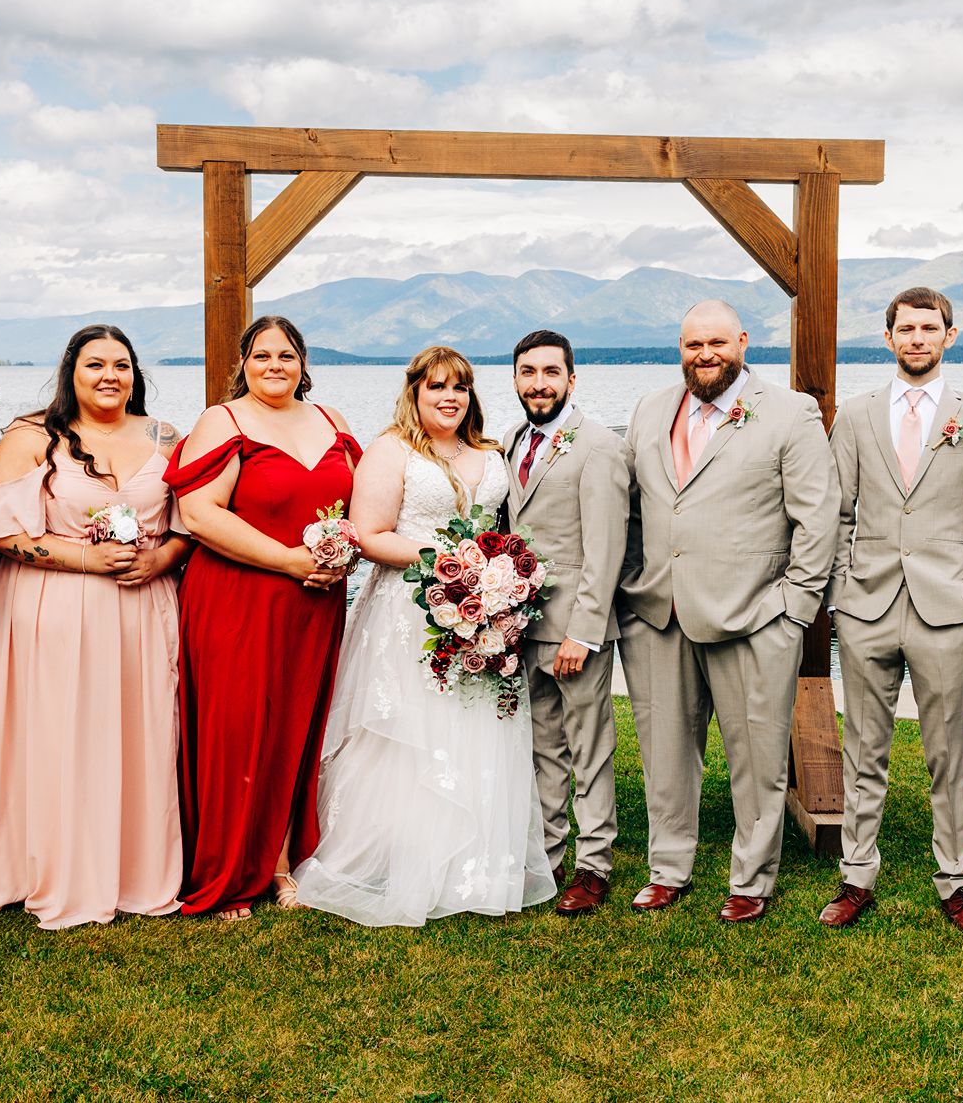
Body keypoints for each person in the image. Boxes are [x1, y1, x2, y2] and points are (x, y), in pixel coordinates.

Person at [293, 346, 557, 925]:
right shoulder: (392, 451)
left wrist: (496, 578)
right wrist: (452, 561)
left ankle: (476, 863)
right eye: (436, 386)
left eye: (459, 387)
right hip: (407, 614)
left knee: (476, 729)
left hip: (483, 616)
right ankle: (398, 859)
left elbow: (503, 529)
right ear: (414, 391)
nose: (449, 398)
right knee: (408, 735)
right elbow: (368, 534)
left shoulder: (490, 453)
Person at [618, 299, 838, 922]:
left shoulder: (790, 412)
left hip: (755, 616)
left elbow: (816, 516)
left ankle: (752, 877)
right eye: (692, 345)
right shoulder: (651, 409)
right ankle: (668, 868)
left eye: (717, 342)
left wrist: (795, 607)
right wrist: (633, 585)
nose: (705, 354)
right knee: (664, 755)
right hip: (659, 612)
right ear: (679, 348)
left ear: (742, 341)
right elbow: (634, 505)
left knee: (758, 758)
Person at [0, 324, 191, 929]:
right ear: (71, 371)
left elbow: (186, 527)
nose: (109, 377)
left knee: (139, 732)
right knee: (61, 732)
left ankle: (135, 870)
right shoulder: (30, 438)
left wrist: (158, 559)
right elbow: (0, 532)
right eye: (95, 364)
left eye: (121, 365)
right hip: (55, 605)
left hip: (142, 606)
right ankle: (53, 868)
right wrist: (84, 558)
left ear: (135, 373)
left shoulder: (166, 437)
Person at [819, 288, 963, 938]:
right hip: (867, 606)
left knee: (947, 755)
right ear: (890, 335)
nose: (918, 337)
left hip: (945, 611)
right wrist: (841, 593)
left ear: (949, 336)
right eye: (907, 327)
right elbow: (838, 511)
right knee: (864, 749)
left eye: (930, 328)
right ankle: (856, 877)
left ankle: (955, 881)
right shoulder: (857, 414)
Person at [166, 315, 359, 920]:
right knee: (240, 730)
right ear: (243, 364)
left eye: (286, 355)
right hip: (239, 597)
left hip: (314, 602)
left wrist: (339, 554)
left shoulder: (332, 422)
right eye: (261, 355)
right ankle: (230, 871)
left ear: (304, 363)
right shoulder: (222, 422)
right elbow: (199, 514)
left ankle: (279, 862)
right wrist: (288, 559)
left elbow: (359, 504)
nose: (274, 365)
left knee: (297, 731)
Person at [502, 330, 629, 916]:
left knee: (590, 748)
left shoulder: (598, 446)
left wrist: (585, 630)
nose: (539, 383)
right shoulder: (510, 442)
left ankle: (595, 862)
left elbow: (606, 548)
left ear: (571, 379)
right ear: (516, 380)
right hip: (522, 622)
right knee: (543, 746)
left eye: (551, 373)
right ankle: (549, 855)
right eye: (528, 372)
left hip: (575, 627)